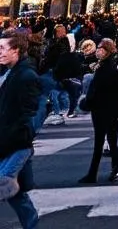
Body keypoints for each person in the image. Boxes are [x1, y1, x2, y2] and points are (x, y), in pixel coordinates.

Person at [0, 31, 42, 229]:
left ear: (16, 50)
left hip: (15, 143)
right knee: (15, 194)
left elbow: (30, 114)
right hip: (8, 141)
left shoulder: (26, 76)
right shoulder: (8, 72)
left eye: (2, 48)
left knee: (5, 185)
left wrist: (17, 136)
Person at [79, 38, 118, 184]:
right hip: (103, 110)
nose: (98, 51)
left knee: (106, 142)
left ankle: (105, 170)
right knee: (105, 142)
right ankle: (102, 171)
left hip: (106, 110)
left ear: (108, 51)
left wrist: (89, 102)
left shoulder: (110, 70)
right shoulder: (104, 68)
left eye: (101, 49)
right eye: (99, 48)